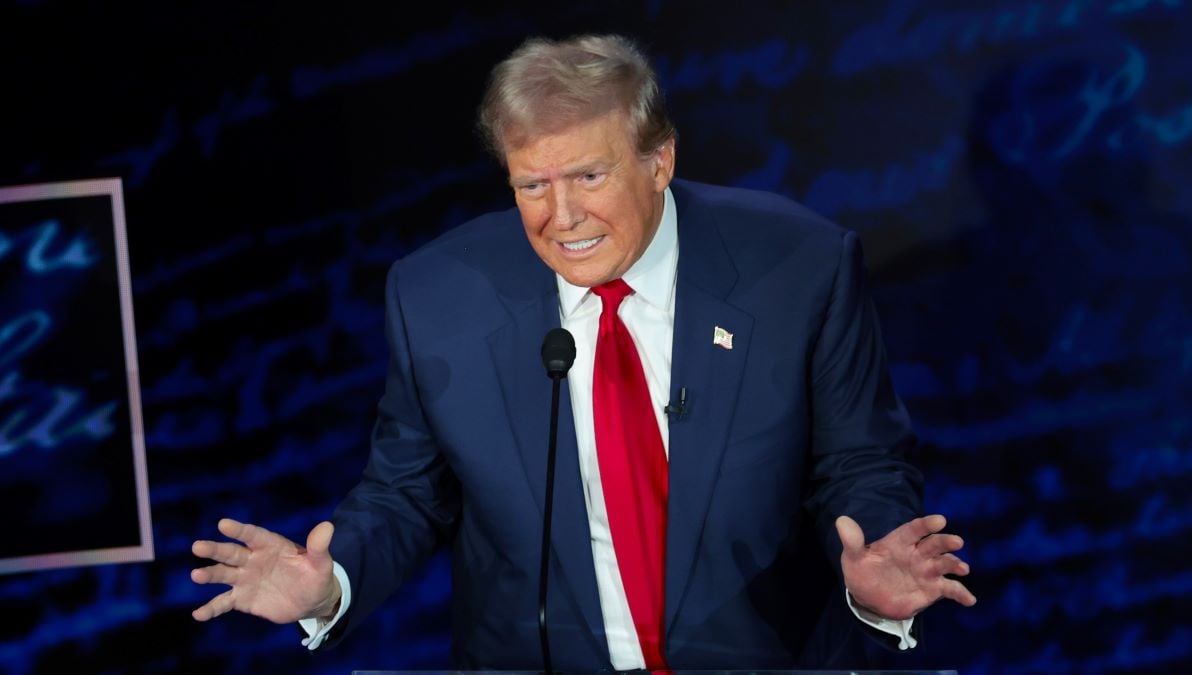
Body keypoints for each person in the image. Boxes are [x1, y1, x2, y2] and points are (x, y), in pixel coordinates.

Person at [191, 33, 975, 670]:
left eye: (589, 175)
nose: (561, 217)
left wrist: (874, 571)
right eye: (531, 185)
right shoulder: (436, 296)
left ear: (659, 160)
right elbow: (406, 491)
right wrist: (332, 582)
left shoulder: (797, 268)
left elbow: (861, 465)